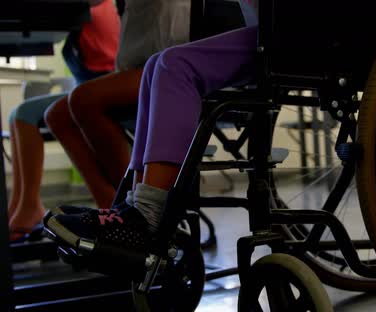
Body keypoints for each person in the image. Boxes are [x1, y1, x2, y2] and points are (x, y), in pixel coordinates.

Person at [45, 0, 259, 251]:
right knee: (156, 66)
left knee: (173, 67)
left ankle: (146, 215)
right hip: (277, 31)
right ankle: (129, 209)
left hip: (285, 35)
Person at [44, 0, 192, 213]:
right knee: (57, 116)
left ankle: (133, 208)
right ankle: (110, 207)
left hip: (173, 63)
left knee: (83, 100)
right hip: (146, 63)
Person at [7, 0, 119, 243]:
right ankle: (22, 204)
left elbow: (107, 63)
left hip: (107, 90)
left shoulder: (99, 7)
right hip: (95, 89)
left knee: (26, 114)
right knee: (16, 114)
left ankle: (28, 207)